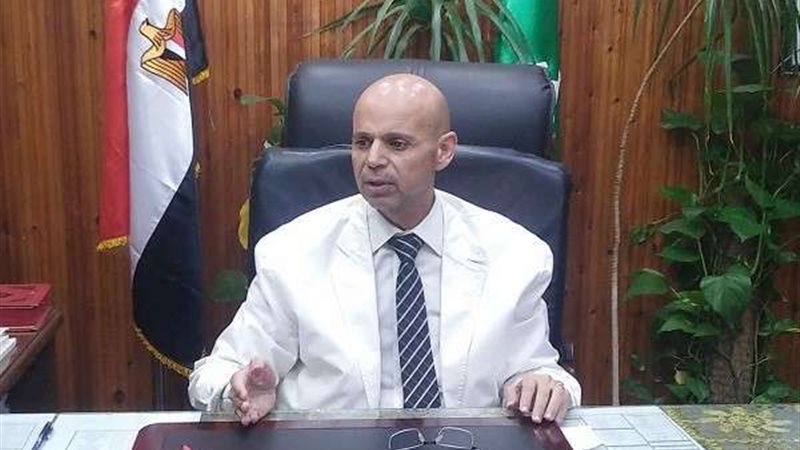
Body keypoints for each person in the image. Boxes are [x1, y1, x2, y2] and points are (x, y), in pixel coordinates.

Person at [188, 73, 581, 426]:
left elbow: (537, 370)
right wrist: (236, 391)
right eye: (362, 142)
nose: (373, 160)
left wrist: (541, 386)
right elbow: (217, 371)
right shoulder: (292, 253)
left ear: (443, 151)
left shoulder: (515, 255)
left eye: (396, 143)